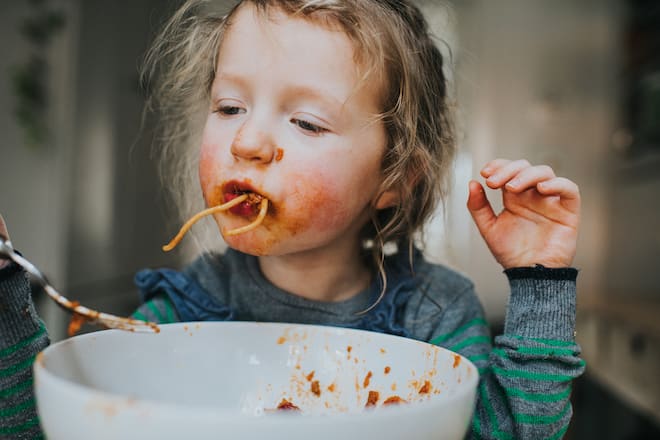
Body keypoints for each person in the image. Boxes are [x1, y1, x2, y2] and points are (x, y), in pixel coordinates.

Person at [0, 0, 584, 438]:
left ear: (392, 178)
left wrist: (538, 281)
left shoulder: (432, 315)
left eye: (305, 122)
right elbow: (40, 427)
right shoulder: (182, 312)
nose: (248, 140)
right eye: (229, 107)